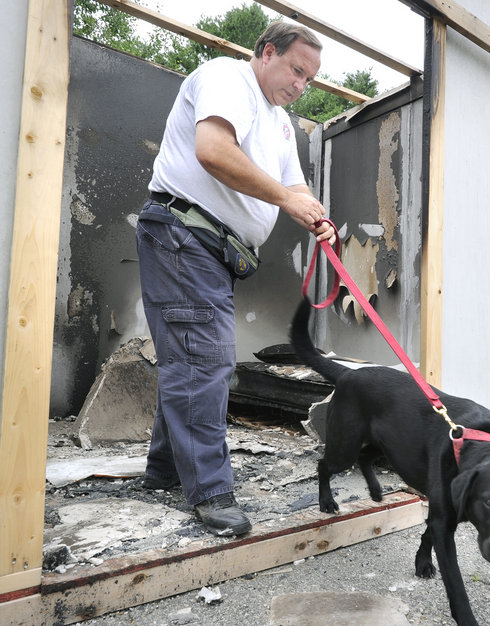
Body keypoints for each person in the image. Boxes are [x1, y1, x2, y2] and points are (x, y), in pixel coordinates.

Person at [135, 21, 335, 537]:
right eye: (296, 70)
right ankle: (209, 492)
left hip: (214, 250)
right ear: (266, 52)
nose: (301, 85)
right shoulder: (228, 77)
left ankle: (164, 471)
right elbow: (213, 150)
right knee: (205, 360)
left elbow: (294, 185)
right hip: (184, 232)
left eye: (310, 79)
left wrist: (314, 214)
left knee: (190, 355)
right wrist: (288, 200)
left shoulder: (283, 124)